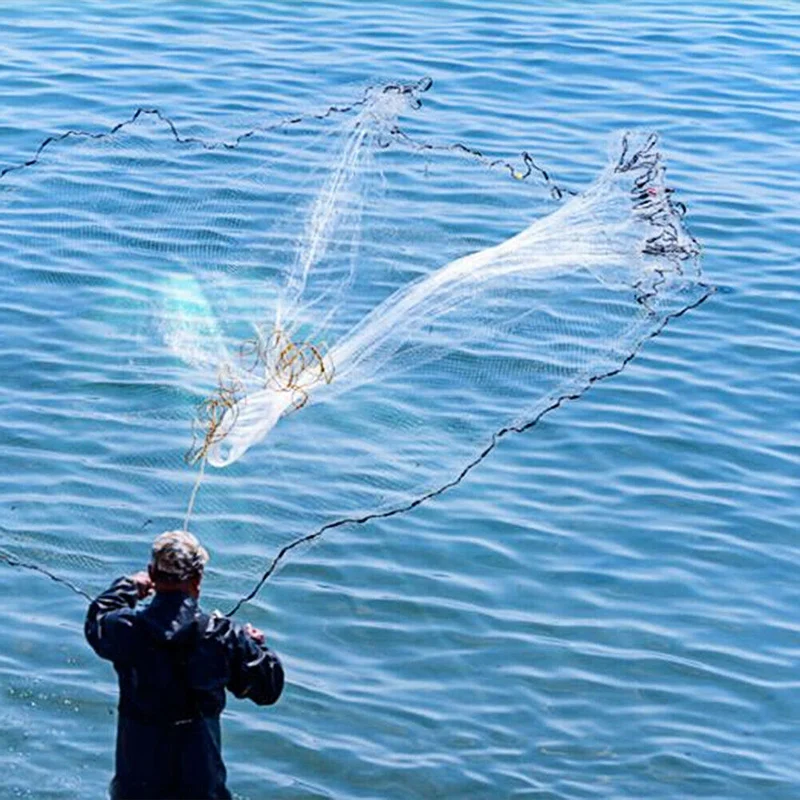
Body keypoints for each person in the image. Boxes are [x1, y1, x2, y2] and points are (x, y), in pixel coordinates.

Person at [85, 530, 284, 800]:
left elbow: (97, 618)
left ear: (151, 574)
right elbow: (268, 689)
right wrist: (256, 646)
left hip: (136, 785)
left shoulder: (125, 629)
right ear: (198, 578)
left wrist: (130, 586)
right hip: (200, 785)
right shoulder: (223, 636)